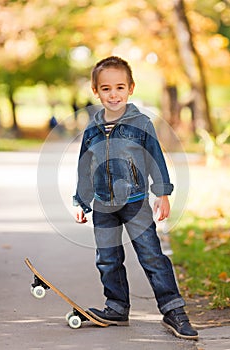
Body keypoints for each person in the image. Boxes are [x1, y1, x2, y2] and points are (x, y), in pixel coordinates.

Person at [73, 56, 198, 340]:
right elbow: (85, 166)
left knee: (152, 256)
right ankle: (116, 306)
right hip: (103, 205)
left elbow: (155, 158)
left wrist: (163, 193)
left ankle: (173, 310)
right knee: (107, 258)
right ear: (96, 91)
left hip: (135, 202)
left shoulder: (141, 123)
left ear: (130, 88)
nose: (113, 94)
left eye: (119, 87)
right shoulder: (92, 128)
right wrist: (80, 201)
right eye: (106, 89)